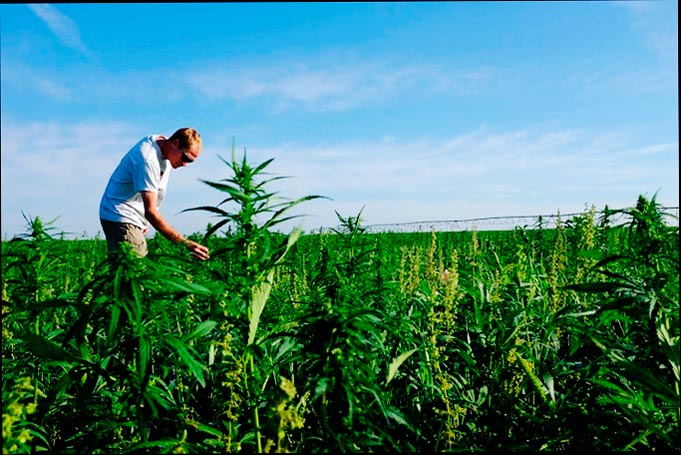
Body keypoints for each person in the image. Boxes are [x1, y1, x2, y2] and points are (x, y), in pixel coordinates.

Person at [99, 127, 210, 261]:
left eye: (191, 161)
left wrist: (143, 223)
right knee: (134, 275)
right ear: (175, 143)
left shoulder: (163, 148)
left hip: (129, 217)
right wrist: (184, 243)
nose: (185, 164)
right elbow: (151, 211)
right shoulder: (148, 160)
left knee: (129, 275)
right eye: (185, 157)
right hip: (122, 216)